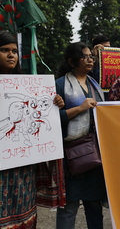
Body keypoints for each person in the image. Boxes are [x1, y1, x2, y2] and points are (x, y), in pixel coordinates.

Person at [0, 30, 64, 229]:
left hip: (22, 165)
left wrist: (55, 103)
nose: (12, 55)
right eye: (4, 50)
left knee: (24, 212)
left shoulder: (25, 85)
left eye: (14, 51)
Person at [55, 42, 107, 229]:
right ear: (71, 61)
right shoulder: (60, 85)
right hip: (71, 156)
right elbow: (53, 119)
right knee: (69, 206)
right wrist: (80, 108)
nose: (89, 60)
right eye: (84, 57)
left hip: (94, 153)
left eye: (90, 57)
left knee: (94, 203)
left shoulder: (95, 84)